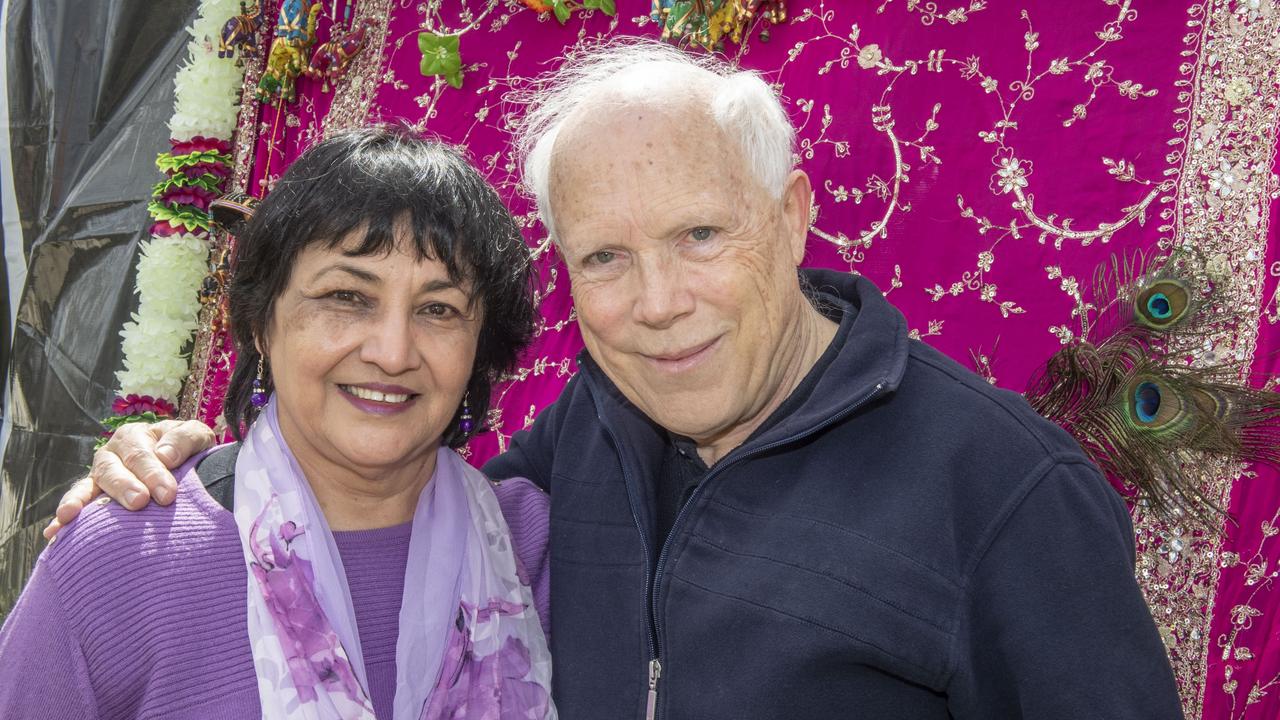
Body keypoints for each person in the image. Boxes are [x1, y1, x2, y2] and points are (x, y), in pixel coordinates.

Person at [50, 40, 1185, 719]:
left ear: (788, 220)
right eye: (604, 257)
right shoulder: (591, 430)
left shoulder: (1002, 492)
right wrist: (181, 465)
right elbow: (393, 478)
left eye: (699, 235)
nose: (655, 302)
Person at [3, 126, 556, 719]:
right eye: (347, 296)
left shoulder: (542, 549)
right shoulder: (122, 560)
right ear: (261, 325)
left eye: (438, 309)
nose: (394, 353)